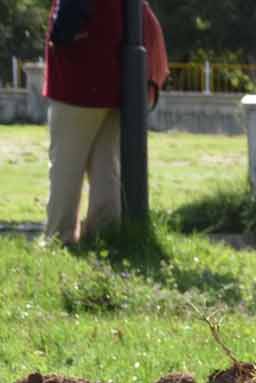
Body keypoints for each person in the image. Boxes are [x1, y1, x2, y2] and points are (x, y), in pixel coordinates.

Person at [42, 0, 168, 247]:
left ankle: (59, 238)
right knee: (106, 167)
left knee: (66, 166)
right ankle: (105, 236)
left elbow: (64, 29)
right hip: (116, 87)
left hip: (76, 84)